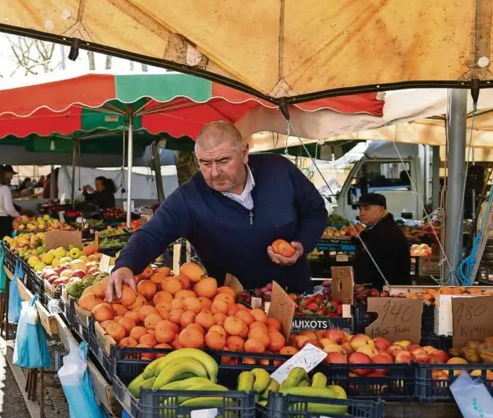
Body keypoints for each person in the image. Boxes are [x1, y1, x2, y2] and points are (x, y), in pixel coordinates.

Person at [106, 120, 326, 299]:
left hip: (297, 297)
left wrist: (302, 244)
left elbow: (315, 211)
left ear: (244, 152)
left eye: (223, 161)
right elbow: (151, 234)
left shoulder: (280, 170)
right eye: (205, 163)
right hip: (232, 312)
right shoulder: (188, 198)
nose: (214, 173)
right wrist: (126, 266)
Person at [351, 193, 411, 289]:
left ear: (381, 210)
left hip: (388, 293)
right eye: (360, 209)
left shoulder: (385, 232)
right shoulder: (381, 228)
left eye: (366, 209)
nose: (362, 213)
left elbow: (372, 265)